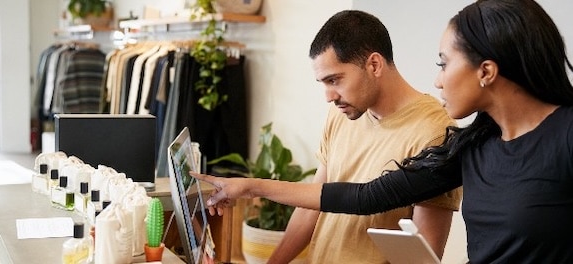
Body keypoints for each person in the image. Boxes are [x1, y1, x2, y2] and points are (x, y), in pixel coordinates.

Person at [191, 0, 573, 263]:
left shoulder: (565, 135)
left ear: (486, 71)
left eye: (444, 63)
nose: (438, 80)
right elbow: (366, 196)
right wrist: (250, 186)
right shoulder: (473, 147)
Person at [218, 10, 463, 264]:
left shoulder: (434, 132)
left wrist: (254, 186)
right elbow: (311, 207)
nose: (328, 96)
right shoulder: (342, 114)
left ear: (374, 65)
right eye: (323, 83)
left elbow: (424, 254)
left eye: (334, 80)